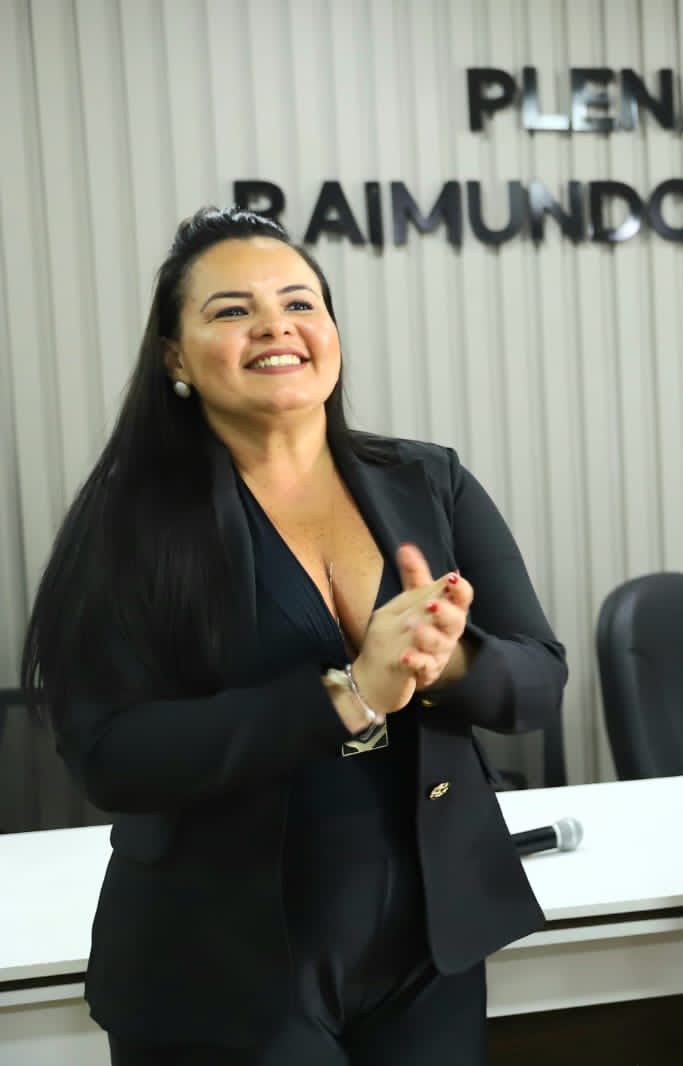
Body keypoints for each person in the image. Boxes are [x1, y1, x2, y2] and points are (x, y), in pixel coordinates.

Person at [20, 206, 567, 1065]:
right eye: (232, 309)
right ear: (174, 358)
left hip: (426, 952)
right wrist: (347, 697)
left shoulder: (427, 481)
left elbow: (537, 683)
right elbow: (110, 756)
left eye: (300, 303)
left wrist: (444, 660)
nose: (276, 325)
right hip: (219, 969)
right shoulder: (128, 522)